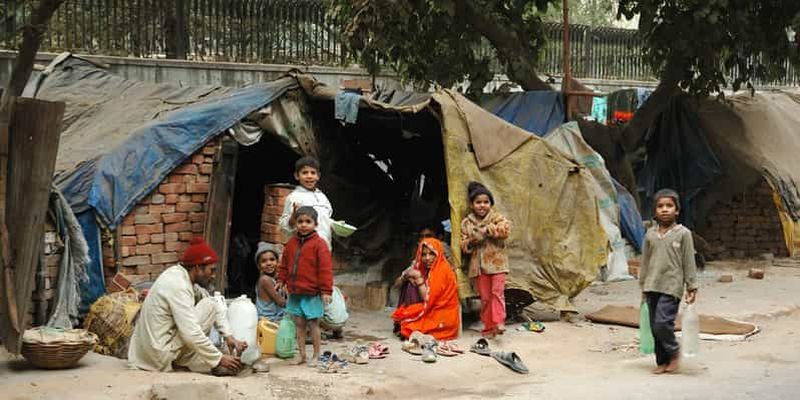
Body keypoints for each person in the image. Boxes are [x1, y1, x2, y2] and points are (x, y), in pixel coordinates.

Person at [128, 237, 248, 375]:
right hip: (158, 356)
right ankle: (183, 362)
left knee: (210, 304)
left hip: (151, 351)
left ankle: (190, 360)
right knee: (202, 317)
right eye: (212, 270)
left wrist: (228, 336)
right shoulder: (178, 286)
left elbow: (211, 303)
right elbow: (191, 334)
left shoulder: (180, 275)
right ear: (198, 268)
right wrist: (219, 359)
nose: (214, 276)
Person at [640, 188, 698, 374]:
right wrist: (642, 286)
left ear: (677, 210)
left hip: (672, 286)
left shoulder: (683, 234)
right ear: (655, 211)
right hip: (652, 285)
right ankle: (662, 361)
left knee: (662, 323)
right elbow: (645, 261)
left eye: (669, 206)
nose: (665, 209)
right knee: (653, 326)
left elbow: (688, 261)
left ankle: (674, 352)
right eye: (660, 206)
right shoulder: (650, 235)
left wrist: (691, 286)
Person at [278, 206, 333, 366]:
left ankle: (316, 355)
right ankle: (302, 355)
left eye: (308, 221)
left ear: (315, 224)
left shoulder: (319, 244)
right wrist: (281, 280)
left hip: (312, 293)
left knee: (313, 324)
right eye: (300, 221)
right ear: (295, 223)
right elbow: (284, 263)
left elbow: (325, 269)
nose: (303, 225)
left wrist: (326, 291)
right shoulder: (291, 243)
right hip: (295, 292)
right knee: (299, 324)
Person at [460, 181, 510, 338]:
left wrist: (488, 230)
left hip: (498, 264)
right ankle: (488, 327)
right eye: (478, 202)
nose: (482, 205)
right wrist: (473, 239)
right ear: (471, 204)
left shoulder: (496, 218)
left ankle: (499, 322)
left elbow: (505, 230)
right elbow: (463, 244)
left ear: (490, 204)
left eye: (486, 202)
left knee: (497, 293)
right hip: (479, 266)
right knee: (486, 298)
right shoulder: (467, 222)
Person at [392, 238, 460, 341]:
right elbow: (397, 284)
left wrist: (418, 278)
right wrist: (405, 276)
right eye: (424, 254)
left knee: (408, 326)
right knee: (409, 284)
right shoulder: (419, 265)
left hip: (441, 312)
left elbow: (427, 298)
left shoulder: (443, 270)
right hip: (427, 308)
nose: (427, 258)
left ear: (438, 254)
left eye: (431, 254)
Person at [279, 156, 334, 250]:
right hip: (305, 249)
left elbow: (326, 219)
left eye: (313, 173)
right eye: (304, 173)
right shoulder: (294, 197)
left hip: (325, 248)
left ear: (318, 176)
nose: (309, 176)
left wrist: (334, 226)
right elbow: (285, 226)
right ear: (297, 176)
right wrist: (293, 216)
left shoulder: (322, 197)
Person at [254, 242, 287, 322]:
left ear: (277, 262)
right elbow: (281, 303)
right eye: (264, 261)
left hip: (277, 317)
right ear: (258, 266)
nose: (268, 263)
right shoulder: (265, 280)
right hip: (270, 320)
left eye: (272, 259)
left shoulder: (274, 279)